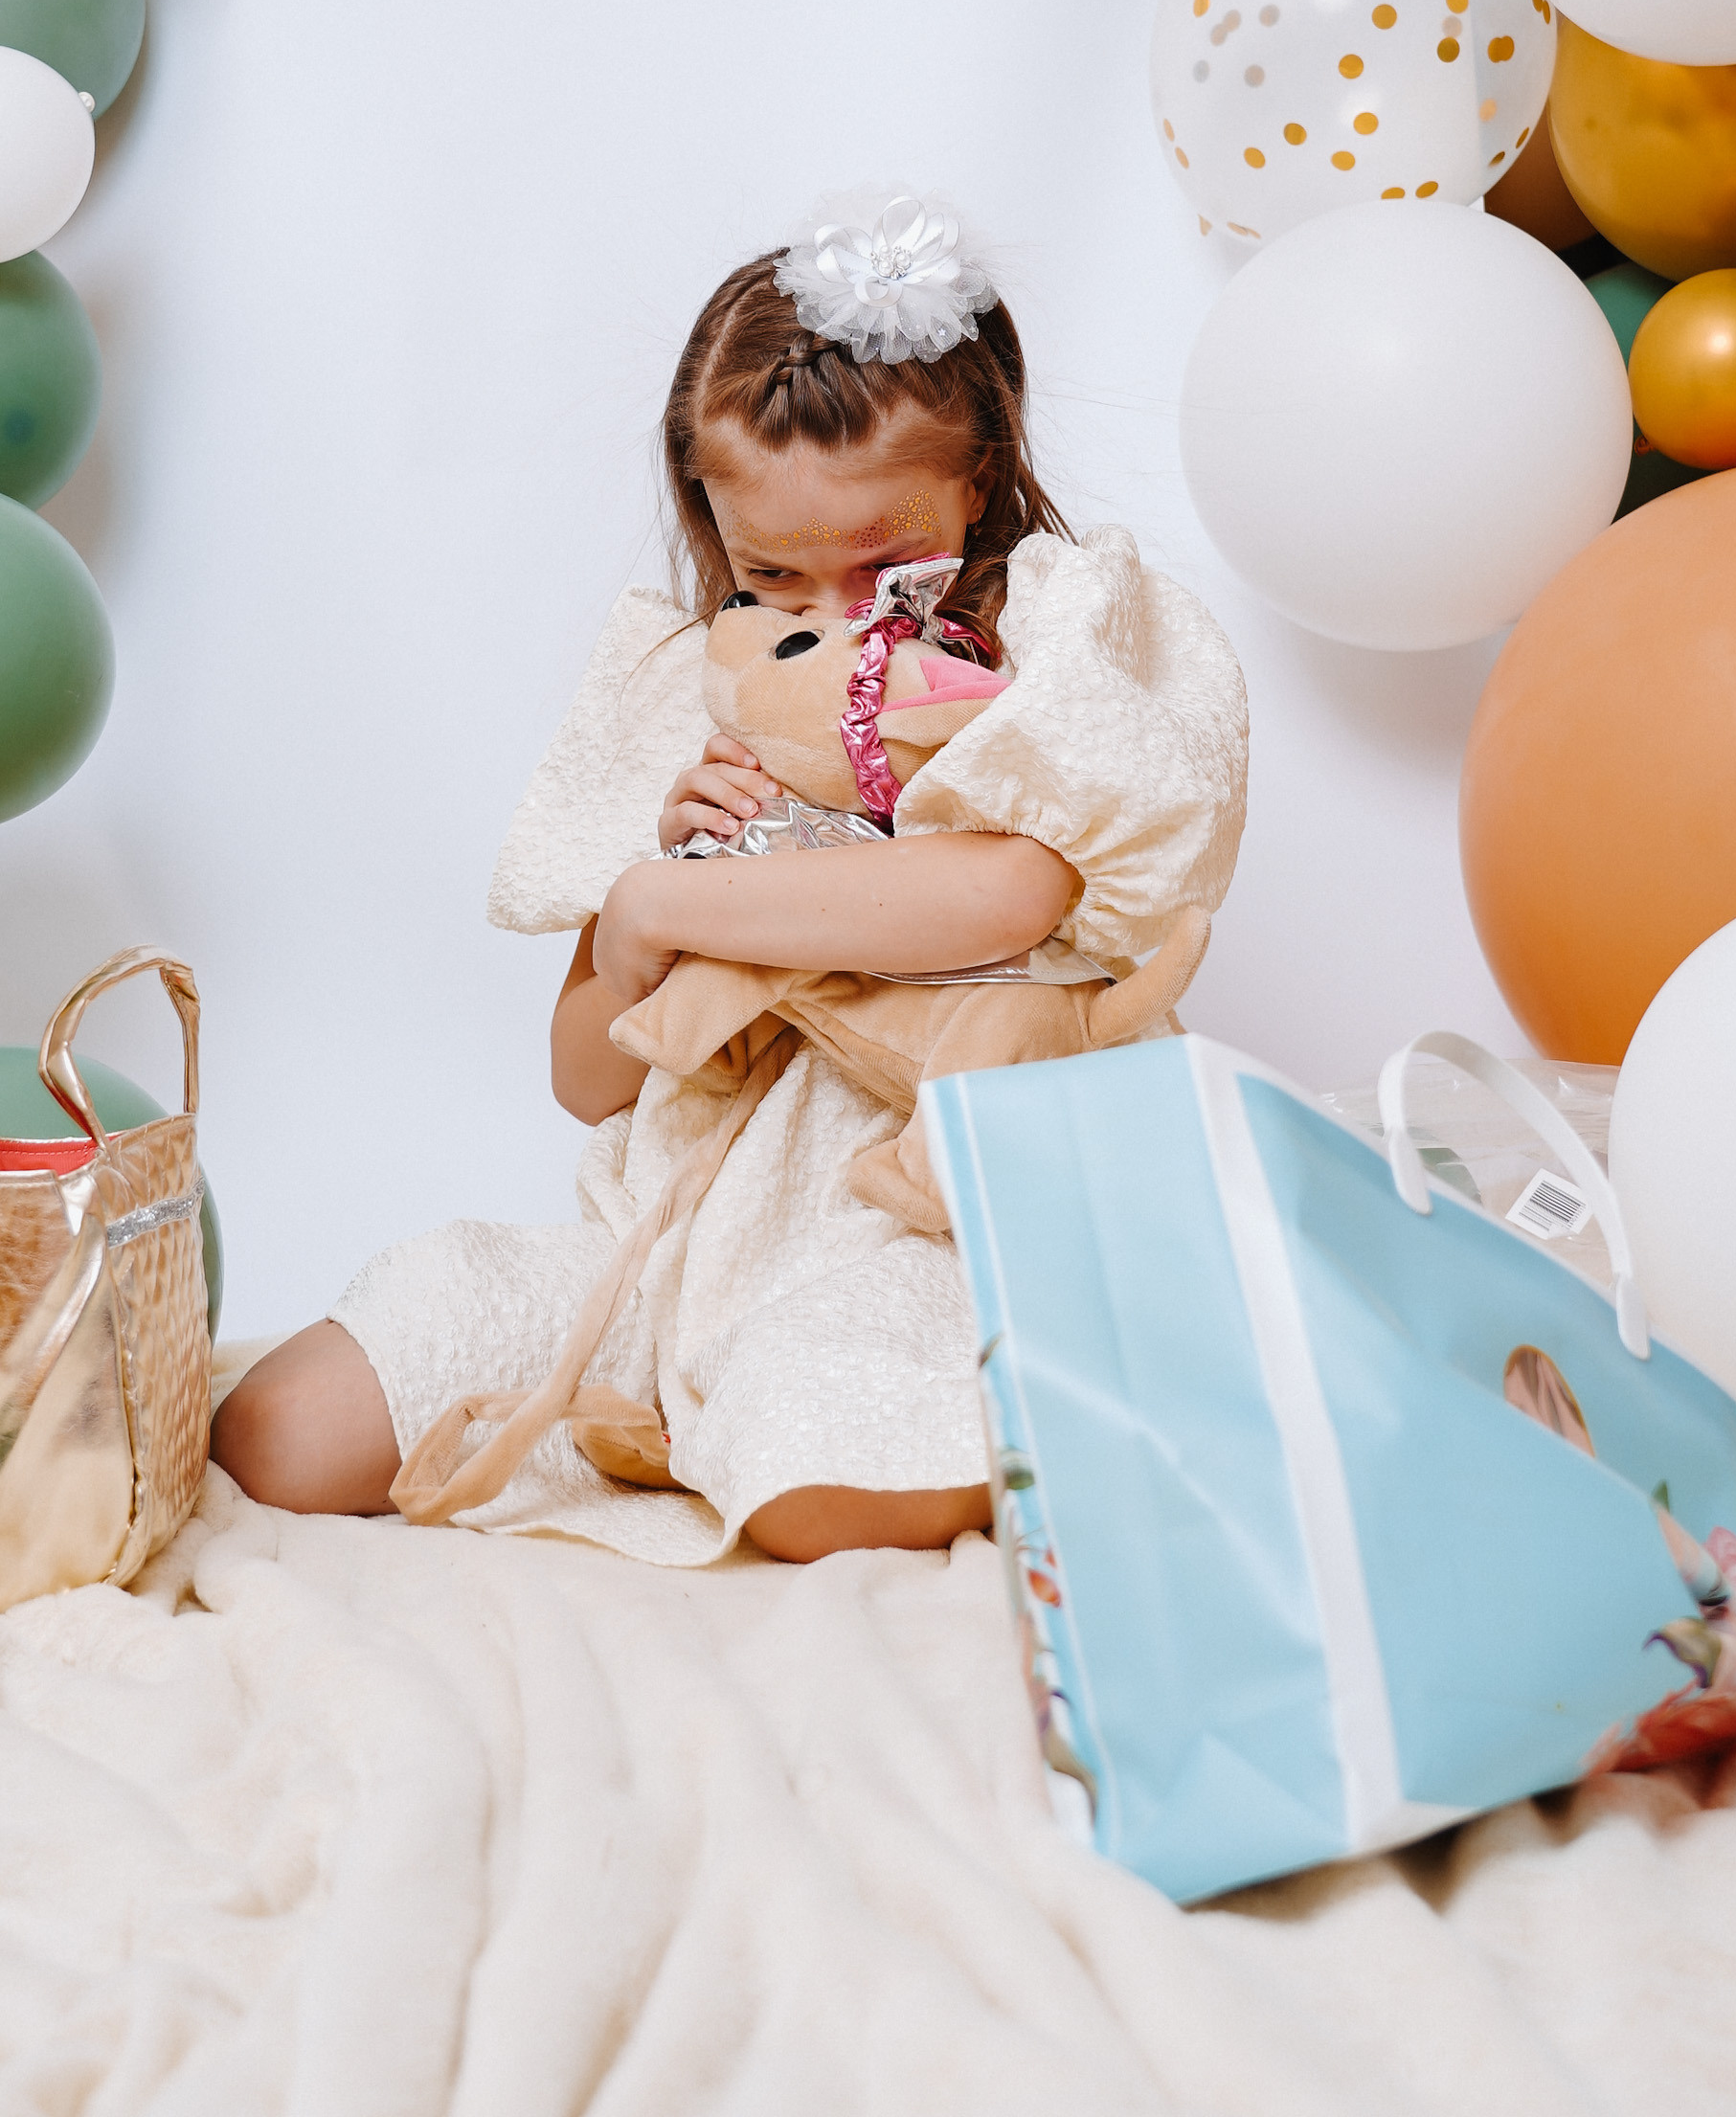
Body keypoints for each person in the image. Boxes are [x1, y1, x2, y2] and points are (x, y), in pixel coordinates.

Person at [212, 192, 1248, 1562]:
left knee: (812, 1467)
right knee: (279, 1433)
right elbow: (587, 1076)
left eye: (883, 564)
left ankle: (1064, 1390)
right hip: (665, 1251)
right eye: (773, 572)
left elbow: (1006, 895)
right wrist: (634, 920)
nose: (831, 617)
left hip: (915, 1239)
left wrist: (684, 902)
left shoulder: (1055, 652)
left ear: (981, 477)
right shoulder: (699, 693)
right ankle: (664, 1407)